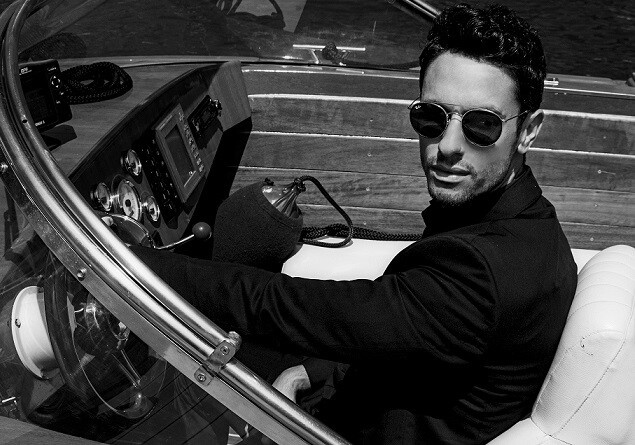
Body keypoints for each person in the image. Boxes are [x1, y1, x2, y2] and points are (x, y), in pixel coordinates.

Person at [133, 3, 578, 443]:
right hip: (370, 388)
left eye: (482, 125)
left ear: (528, 130)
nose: (447, 145)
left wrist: (130, 264)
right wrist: (313, 371)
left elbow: (288, 307)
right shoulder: (522, 221)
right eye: (431, 117)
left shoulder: (484, 273)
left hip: (350, 429)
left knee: (184, 356)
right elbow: (395, 326)